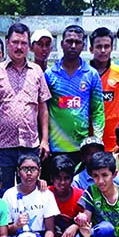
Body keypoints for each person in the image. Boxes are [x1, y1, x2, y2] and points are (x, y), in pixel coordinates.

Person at [0, 23, 52, 193]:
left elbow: (43, 108)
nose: (19, 47)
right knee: (3, 190)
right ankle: (6, 221)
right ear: (7, 43)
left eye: (23, 43)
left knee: (30, 190)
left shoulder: (36, 72)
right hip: (3, 146)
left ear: (28, 45)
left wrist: (44, 140)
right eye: (15, 42)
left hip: (30, 143)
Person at [45, 24, 104, 176]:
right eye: (69, 41)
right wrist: (44, 140)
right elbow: (43, 111)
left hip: (82, 149)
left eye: (77, 42)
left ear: (83, 46)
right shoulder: (50, 74)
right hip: (55, 148)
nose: (73, 45)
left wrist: (96, 142)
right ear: (61, 44)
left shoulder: (91, 74)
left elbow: (97, 110)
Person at [48, 155, 88, 237]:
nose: (62, 182)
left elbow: (87, 218)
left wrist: (75, 226)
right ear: (52, 178)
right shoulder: (46, 193)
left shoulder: (80, 195)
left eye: (66, 178)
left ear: (72, 178)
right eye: (58, 178)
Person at [89, 27, 119, 151]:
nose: (103, 50)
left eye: (107, 46)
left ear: (112, 48)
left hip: (113, 140)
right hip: (88, 138)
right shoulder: (83, 73)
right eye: (99, 46)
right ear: (91, 49)